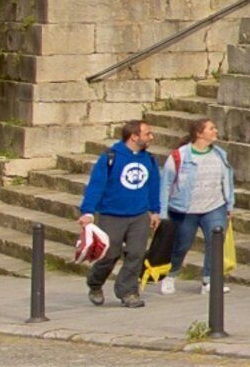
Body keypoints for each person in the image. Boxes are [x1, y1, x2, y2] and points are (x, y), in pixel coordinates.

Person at [76, 119, 167, 307]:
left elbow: (153, 186)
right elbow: (96, 185)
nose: (151, 137)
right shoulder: (110, 157)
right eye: (147, 133)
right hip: (112, 214)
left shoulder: (149, 160)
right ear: (134, 136)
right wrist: (88, 212)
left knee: (136, 253)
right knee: (110, 254)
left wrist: (155, 211)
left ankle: (128, 292)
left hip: (139, 215)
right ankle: (95, 283)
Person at [164, 118, 235, 287]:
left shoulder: (220, 154)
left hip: (214, 206)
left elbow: (228, 180)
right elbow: (166, 183)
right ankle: (171, 274)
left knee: (216, 241)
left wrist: (229, 204)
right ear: (199, 133)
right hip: (186, 209)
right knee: (182, 245)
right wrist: (161, 211)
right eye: (211, 128)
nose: (215, 131)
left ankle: (209, 280)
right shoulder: (179, 155)